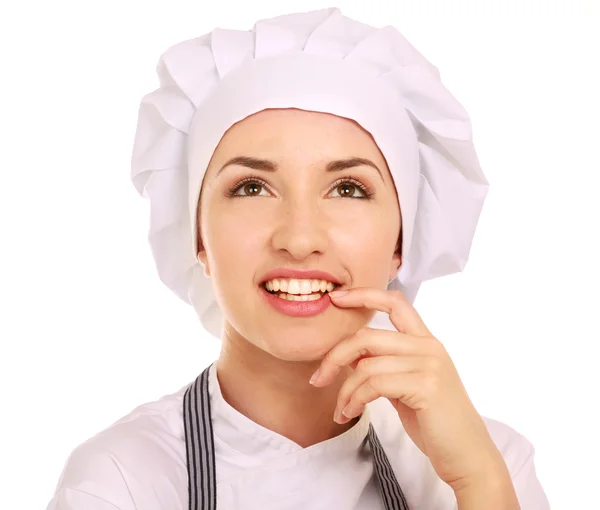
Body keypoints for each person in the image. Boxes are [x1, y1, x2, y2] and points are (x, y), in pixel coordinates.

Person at [45, 7, 550, 510]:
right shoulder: (120, 481)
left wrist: (478, 481)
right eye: (251, 187)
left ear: (402, 242)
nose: (301, 238)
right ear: (198, 236)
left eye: (348, 188)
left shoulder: (488, 465)